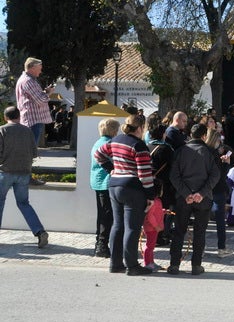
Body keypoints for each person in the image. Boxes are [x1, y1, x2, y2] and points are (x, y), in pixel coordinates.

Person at [94, 114, 155, 275]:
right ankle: (132, 265)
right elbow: (144, 174)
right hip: (132, 188)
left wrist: (110, 168)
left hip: (114, 186)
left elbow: (98, 154)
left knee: (117, 225)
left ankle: (115, 264)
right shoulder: (139, 145)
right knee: (132, 227)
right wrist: (150, 195)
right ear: (141, 128)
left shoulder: (115, 140)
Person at [167, 123, 220, 276]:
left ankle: (174, 264)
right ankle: (196, 265)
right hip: (203, 198)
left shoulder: (180, 151)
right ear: (204, 136)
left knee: (179, 231)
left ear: (191, 134)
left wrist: (186, 193)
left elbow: (174, 176)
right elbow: (215, 175)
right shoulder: (210, 152)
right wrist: (201, 193)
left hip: (184, 198)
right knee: (200, 232)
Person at [0, 106, 49, 248]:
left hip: (5, 172)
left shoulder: (2, 130)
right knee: (24, 203)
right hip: (24, 173)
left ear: (5, 117)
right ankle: (40, 232)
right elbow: (34, 153)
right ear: (19, 116)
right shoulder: (27, 131)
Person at [89, 117, 120, 258]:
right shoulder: (109, 144)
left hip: (97, 182)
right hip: (107, 183)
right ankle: (102, 246)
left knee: (102, 215)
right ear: (113, 130)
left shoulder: (97, 142)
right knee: (107, 216)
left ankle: (99, 244)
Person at [205, 128, 233, 256]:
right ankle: (221, 248)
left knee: (203, 220)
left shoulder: (204, 152)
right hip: (218, 188)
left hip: (204, 189)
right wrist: (226, 164)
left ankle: (201, 249)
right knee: (220, 219)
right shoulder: (214, 154)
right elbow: (220, 174)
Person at [15, 57, 53, 147]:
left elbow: (34, 98)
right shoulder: (28, 81)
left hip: (31, 119)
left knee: (28, 149)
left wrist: (45, 92)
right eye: (39, 69)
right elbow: (40, 100)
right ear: (32, 68)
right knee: (30, 149)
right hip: (33, 120)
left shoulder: (26, 80)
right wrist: (49, 93)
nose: (40, 71)